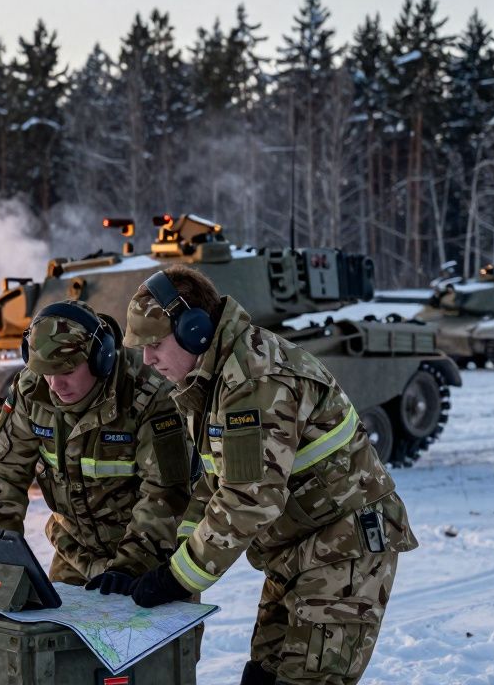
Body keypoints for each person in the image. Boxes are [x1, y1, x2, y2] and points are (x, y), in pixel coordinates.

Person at [119, 265, 417, 685]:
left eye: (155, 344)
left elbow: (248, 500)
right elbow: (213, 482)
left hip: (343, 546)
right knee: (262, 675)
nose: (147, 359)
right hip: (294, 550)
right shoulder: (210, 380)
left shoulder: (255, 379)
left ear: (195, 331)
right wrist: (171, 559)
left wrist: (177, 577)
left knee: (307, 679)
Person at [0, 299, 193, 592]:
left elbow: (165, 493)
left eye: (66, 371)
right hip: (75, 554)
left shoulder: (150, 396)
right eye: (46, 372)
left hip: (153, 560)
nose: (54, 385)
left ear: (99, 359)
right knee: (53, 637)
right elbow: (4, 476)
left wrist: (130, 566)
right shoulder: (32, 391)